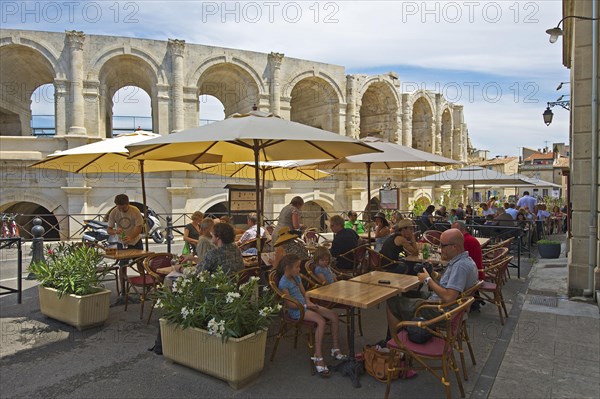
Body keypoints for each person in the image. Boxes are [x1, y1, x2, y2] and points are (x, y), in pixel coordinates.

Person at [386, 229, 478, 328]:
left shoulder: (460, 266)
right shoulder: (466, 261)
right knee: (407, 294)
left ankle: (395, 340)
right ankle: (407, 330)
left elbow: (449, 297)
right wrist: (433, 274)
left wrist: (427, 280)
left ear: (454, 247)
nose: (439, 249)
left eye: (443, 245)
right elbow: (450, 284)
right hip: (444, 305)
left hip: (440, 311)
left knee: (392, 302)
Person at [277, 253, 346, 377]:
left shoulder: (296, 277)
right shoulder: (283, 283)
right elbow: (290, 305)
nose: (299, 269)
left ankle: (335, 348)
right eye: (297, 267)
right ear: (288, 268)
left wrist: (308, 302)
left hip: (305, 305)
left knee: (334, 316)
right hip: (297, 311)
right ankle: (318, 356)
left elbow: (305, 293)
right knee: (321, 321)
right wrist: (306, 306)